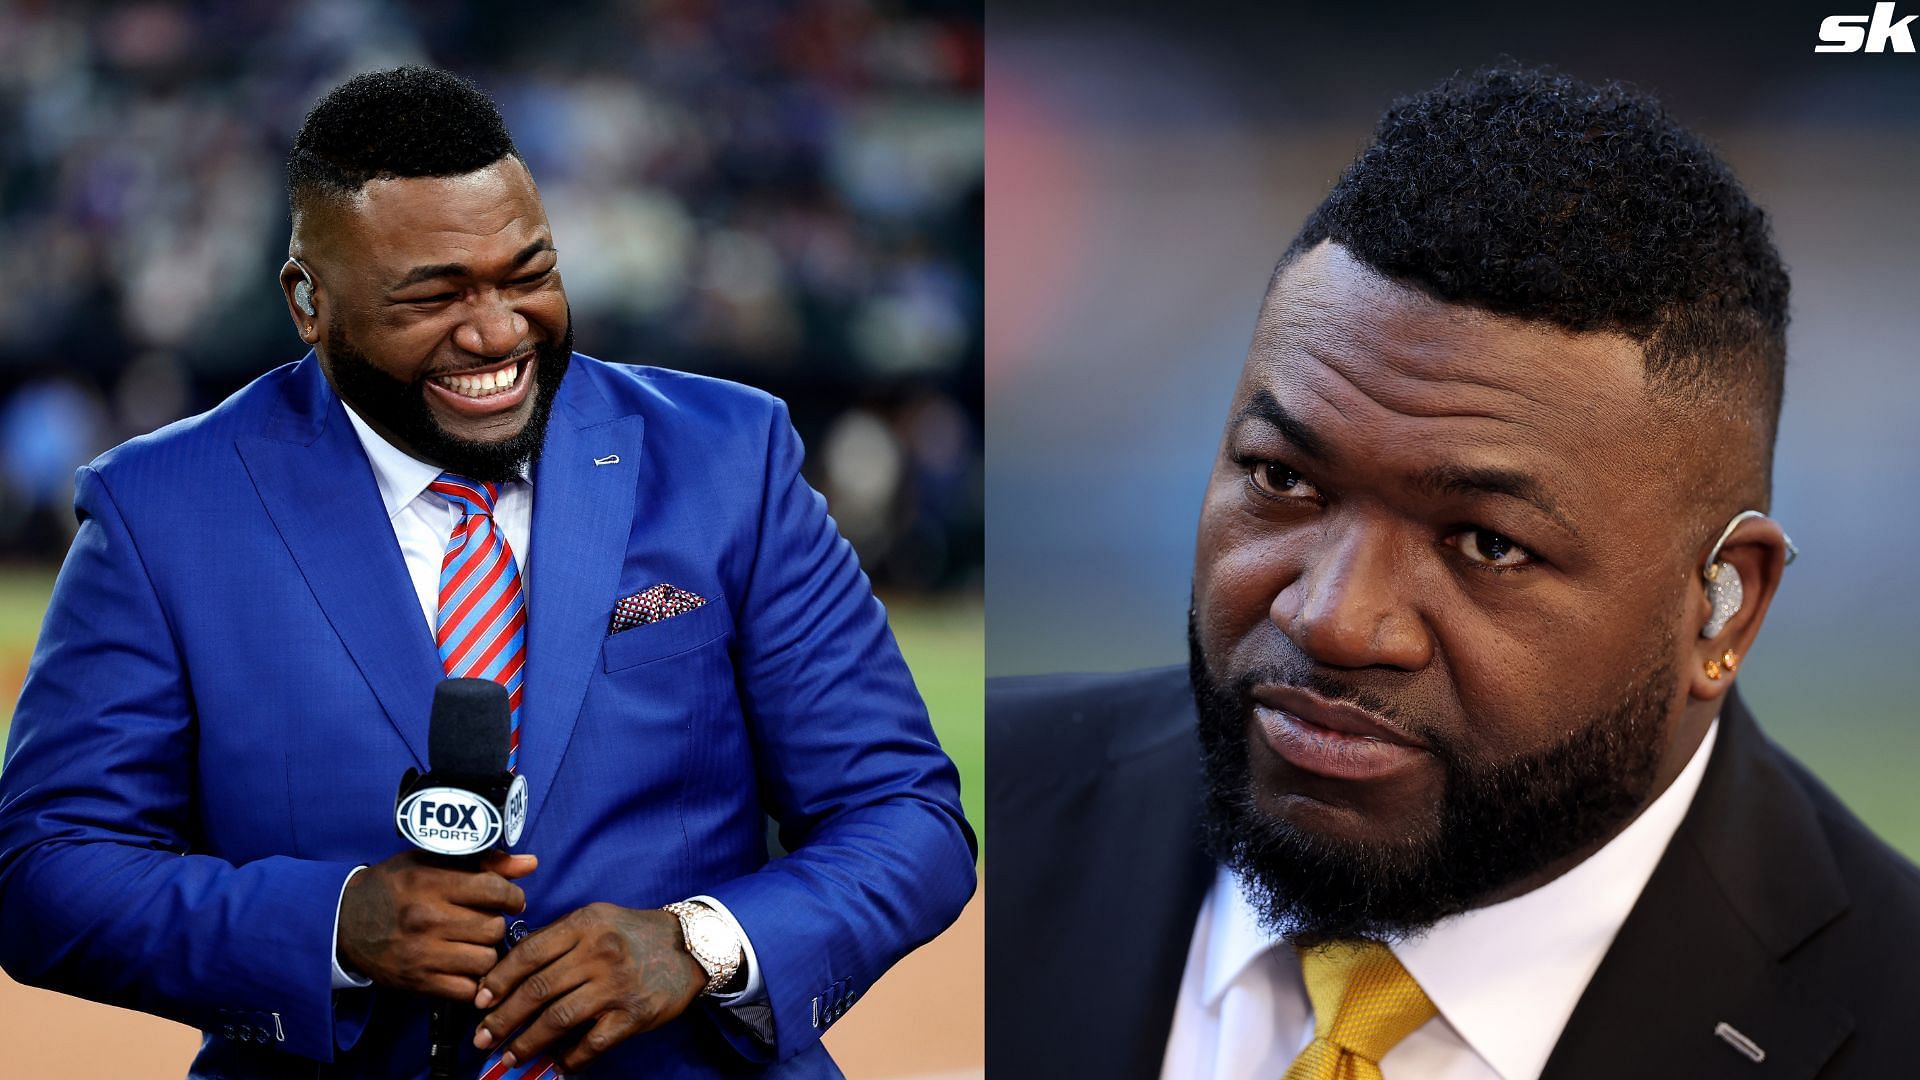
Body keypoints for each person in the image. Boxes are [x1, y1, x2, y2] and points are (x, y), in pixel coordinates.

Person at [0, 66, 975, 1079]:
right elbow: (47, 875)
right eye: (435, 296)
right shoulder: (161, 508)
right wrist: (335, 927)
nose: (498, 331)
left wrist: (701, 941)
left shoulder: (729, 457)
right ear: (308, 301)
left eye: (528, 273)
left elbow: (906, 814)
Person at [987, 64, 1920, 1080]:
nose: (1336, 619)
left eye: (1487, 544)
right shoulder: (981, 815)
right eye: (1284, 480)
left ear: (1722, 607)